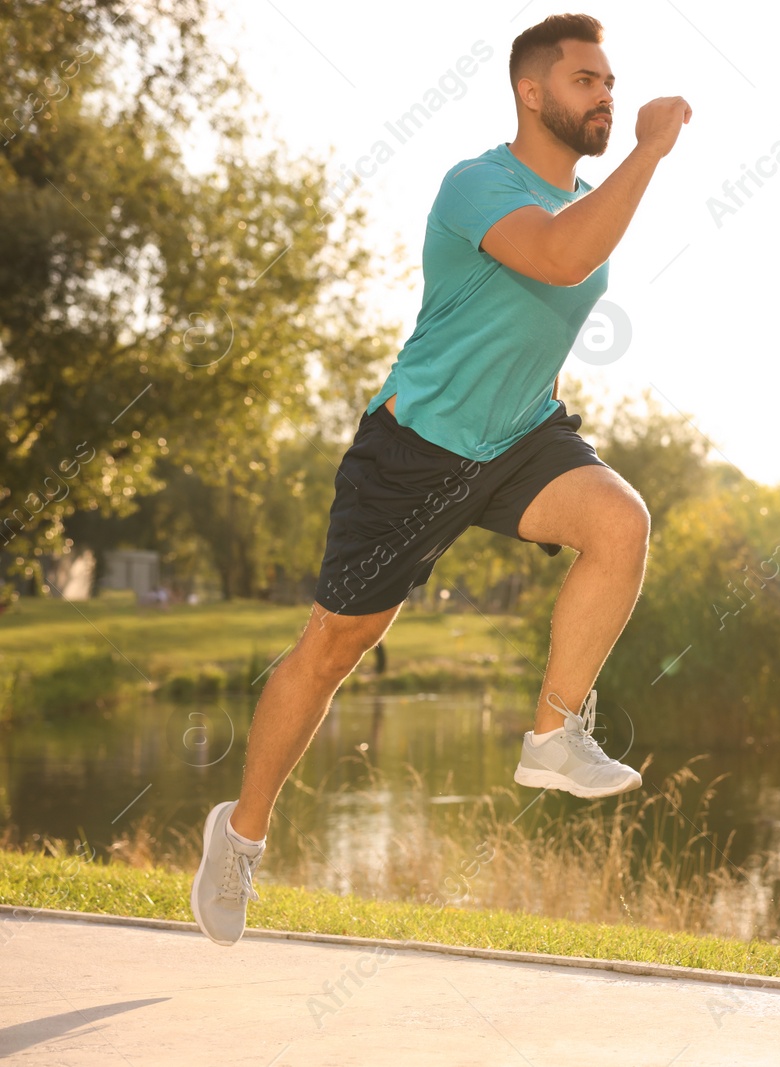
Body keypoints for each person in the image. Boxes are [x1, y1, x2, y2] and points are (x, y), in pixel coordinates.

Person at [189, 13, 691, 947]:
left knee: (621, 522)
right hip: (414, 448)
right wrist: (653, 150)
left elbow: (550, 290)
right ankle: (242, 833)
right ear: (532, 92)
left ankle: (551, 734)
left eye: (612, 83)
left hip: (520, 438)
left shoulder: (589, 197)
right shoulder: (478, 184)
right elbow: (557, 257)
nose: (608, 98)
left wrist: (630, 168)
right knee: (334, 650)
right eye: (587, 81)